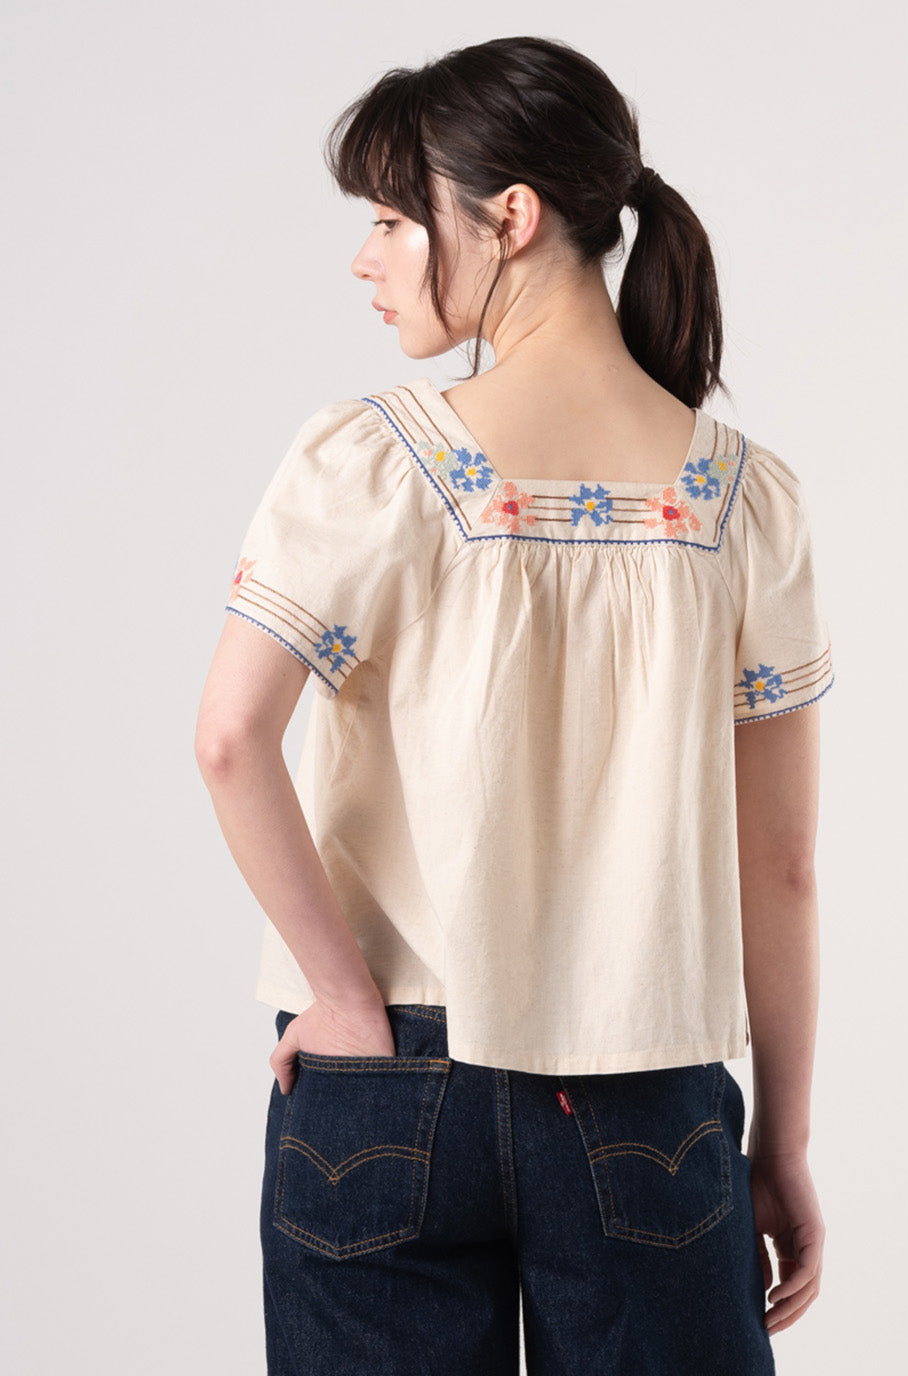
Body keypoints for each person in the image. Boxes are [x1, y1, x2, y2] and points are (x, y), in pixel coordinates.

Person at [195, 34, 833, 1376]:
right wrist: (779, 1142)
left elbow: (229, 740)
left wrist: (337, 996)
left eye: (390, 218)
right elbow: (780, 864)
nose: (365, 258)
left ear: (511, 217)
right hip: (649, 1089)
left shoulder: (376, 462)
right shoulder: (742, 500)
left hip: (386, 1074)